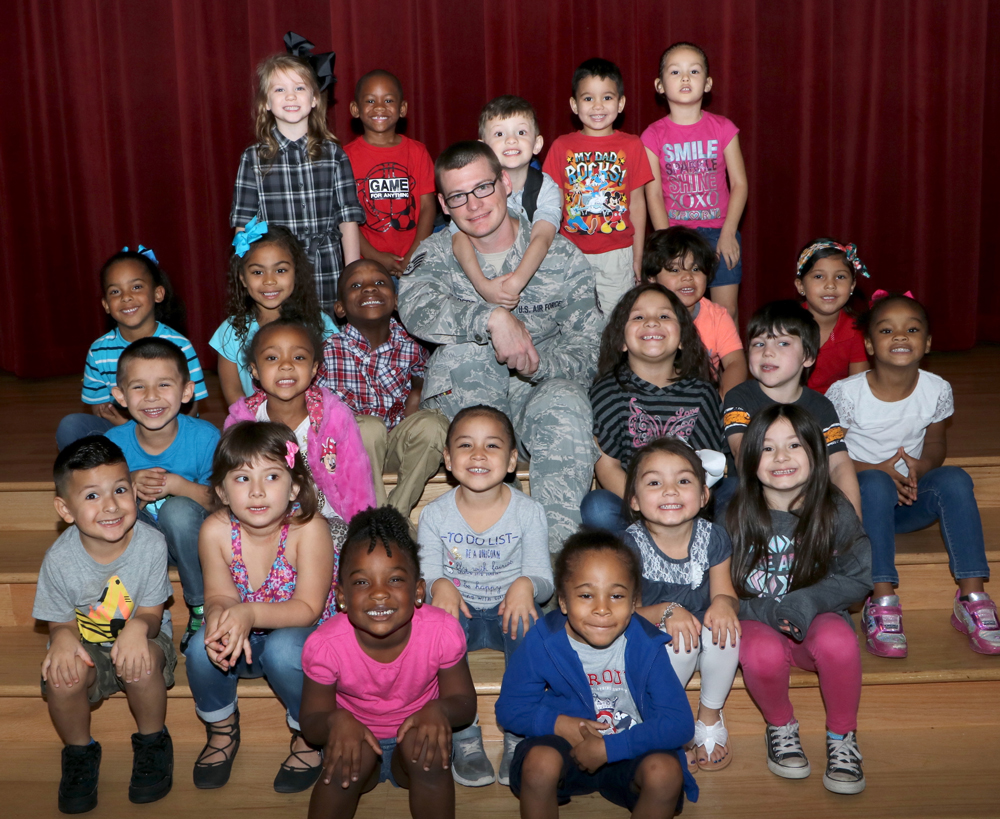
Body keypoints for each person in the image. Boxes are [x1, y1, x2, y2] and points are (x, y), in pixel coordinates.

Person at [398, 141, 605, 553]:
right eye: (458, 196)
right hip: (465, 412)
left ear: (505, 182)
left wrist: (535, 362)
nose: (473, 205)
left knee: (565, 399)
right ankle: (477, 560)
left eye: (483, 188)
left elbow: (589, 352)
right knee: (469, 355)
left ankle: (550, 566)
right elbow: (415, 308)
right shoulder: (436, 254)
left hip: (536, 405)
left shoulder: (561, 257)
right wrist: (492, 320)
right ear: (443, 203)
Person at [827, 293, 999, 656]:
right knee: (874, 484)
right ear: (870, 344)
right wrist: (879, 471)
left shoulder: (936, 389)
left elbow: (936, 443)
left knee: (954, 478)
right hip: (858, 503)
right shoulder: (845, 394)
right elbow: (828, 456)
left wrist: (921, 467)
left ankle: (972, 596)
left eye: (913, 329)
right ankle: (881, 600)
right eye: (887, 330)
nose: (901, 336)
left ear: (929, 342)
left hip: (909, 499)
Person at [495, 530, 699, 817]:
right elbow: (509, 708)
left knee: (665, 773)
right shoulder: (543, 640)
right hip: (566, 748)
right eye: (586, 595)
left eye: (616, 595)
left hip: (631, 751)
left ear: (633, 603)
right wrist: (560, 724)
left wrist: (611, 747)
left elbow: (680, 724)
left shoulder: (647, 645)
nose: (602, 609)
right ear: (563, 602)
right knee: (539, 763)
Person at [186, 421, 337, 793]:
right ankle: (222, 729)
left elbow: (307, 609)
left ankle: (308, 734)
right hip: (246, 641)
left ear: (295, 487)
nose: (256, 492)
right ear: (221, 491)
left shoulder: (309, 529)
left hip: (306, 639)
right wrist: (224, 620)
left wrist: (248, 613)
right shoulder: (215, 531)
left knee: (285, 649)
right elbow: (220, 596)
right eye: (241, 479)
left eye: (271, 476)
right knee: (199, 647)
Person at [728, 405, 870, 794]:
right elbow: (719, 594)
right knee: (760, 652)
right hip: (758, 622)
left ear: (816, 453)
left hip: (816, 627)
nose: (781, 457)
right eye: (768, 448)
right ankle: (781, 726)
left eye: (793, 445)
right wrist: (766, 611)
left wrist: (807, 601)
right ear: (750, 458)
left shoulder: (834, 508)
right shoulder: (732, 515)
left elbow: (859, 577)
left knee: (839, 640)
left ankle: (842, 737)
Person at [300, 507, 477, 819]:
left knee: (428, 753)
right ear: (340, 596)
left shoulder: (442, 631)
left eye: (394, 579)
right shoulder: (325, 645)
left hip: (415, 737)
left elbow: (464, 703)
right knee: (346, 756)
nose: (379, 594)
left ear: (419, 591)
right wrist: (335, 721)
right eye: (361, 583)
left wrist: (439, 709)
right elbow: (312, 723)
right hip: (356, 742)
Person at [35, 437, 176, 813]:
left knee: (141, 660)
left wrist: (136, 630)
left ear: (133, 491)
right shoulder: (59, 559)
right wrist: (62, 640)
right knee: (61, 675)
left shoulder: (151, 544)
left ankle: (152, 742)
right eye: (92, 496)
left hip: (143, 632)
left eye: (119, 489)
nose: (111, 505)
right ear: (65, 509)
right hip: (86, 641)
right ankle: (79, 752)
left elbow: (150, 613)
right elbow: (60, 623)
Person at [418, 405, 553, 787]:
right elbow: (428, 572)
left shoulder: (528, 512)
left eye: (492, 446)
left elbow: (543, 577)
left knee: (532, 627)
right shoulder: (435, 514)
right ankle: (464, 733)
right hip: (460, 612)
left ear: (512, 461)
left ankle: (517, 731)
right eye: (465, 445)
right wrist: (436, 585)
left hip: (508, 611)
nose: (478, 455)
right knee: (435, 626)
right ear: (447, 459)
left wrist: (527, 584)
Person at [623, 437, 740, 773]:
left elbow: (726, 591)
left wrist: (722, 603)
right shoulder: (629, 545)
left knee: (726, 626)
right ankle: (667, 719)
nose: (670, 491)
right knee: (680, 643)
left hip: (703, 629)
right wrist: (666, 611)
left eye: (684, 480)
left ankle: (709, 716)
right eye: (655, 482)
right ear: (634, 499)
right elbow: (624, 615)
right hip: (652, 634)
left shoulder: (713, 536)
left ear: (704, 495)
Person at [104, 338, 219, 653]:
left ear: (186, 392)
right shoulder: (113, 444)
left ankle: (200, 608)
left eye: (164, 385)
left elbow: (223, 503)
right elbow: (100, 505)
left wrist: (179, 486)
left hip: (193, 542)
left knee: (177, 511)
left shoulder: (205, 437)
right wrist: (126, 486)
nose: (152, 397)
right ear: (120, 396)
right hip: (143, 541)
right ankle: (117, 611)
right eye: (138, 387)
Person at [224, 318, 377, 548]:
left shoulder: (334, 416)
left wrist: (365, 532)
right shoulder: (242, 421)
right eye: (272, 358)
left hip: (326, 523)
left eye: (298, 357)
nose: (286, 365)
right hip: (263, 524)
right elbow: (232, 483)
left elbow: (356, 481)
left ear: (314, 368)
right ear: (254, 369)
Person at [583, 283, 724, 533]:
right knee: (597, 507)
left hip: (689, 504)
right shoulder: (608, 391)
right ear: (622, 342)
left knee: (734, 490)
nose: (651, 322)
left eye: (663, 316)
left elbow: (708, 467)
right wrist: (648, 507)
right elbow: (607, 467)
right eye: (638, 317)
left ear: (682, 339)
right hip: (634, 504)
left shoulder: (702, 393)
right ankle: (638, 563)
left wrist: (680, 504)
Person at [231, 51, 364, 314]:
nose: (290, 96)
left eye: (299, 87)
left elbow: (348, 220)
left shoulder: (335, 155)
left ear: (314, 98)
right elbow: (243, 224)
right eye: (279, 89)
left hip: (327, 269)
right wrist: (245, 277)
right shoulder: (253, 159)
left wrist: (352, 279)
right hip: (277, 273)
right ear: (266, 103)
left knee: (327, 341)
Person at [319, 259, 448, 516]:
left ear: (397, 301)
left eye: (379, 282)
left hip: (396, 445)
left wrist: (416, 393)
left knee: (434, 423)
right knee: (367, 427)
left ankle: (396, 513)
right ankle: (373, 516)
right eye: (356, 285)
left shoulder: (413, 346)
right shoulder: (327, 352)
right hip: (351, 452)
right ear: (340, 308)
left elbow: (418, 395)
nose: (369, 289)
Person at [57, 246, 207, 451]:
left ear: (158, 293)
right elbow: (100, 408)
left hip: (174, 433)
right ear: (106, 304)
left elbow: (191, 409)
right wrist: (127, 428)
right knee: (71, 426)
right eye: (115, 291)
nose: (126, 297)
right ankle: (121, 473)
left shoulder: (180, 345)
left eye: (136, 287)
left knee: (207, 435)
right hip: (124, 433)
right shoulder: (99, 351)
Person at [723, 300, 862, 517]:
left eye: (783, 343)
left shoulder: (820, 405)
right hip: (753, 498)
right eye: (759, 344)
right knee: (728, 490)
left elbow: (838, 466)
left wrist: (853, 526)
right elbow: (742, 452)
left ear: (808, 357)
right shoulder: (739, 397)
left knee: (869, 485)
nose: (768, 353)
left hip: (806, 495)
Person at [642, 42, 748, 322]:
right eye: (675, 72)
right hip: (676, 234)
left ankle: (729, 365)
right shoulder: (652, 135)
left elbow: (739, 184)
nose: (685, 78)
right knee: (679, 313)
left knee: (727, 313)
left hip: (719, 232)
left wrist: (728, 232)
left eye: (694, 71)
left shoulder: (724, 128)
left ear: (708, 83)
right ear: (660, 85)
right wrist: (667, 243)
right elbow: (652, 194)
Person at [543, 58, 654, 312]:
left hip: (618, 253)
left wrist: (638, 257)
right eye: (588, 98)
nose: (597, 106)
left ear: (621, 103)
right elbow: (551, 203)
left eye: (606, 97)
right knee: (574, 320)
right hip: (571, 252)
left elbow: (637, 203)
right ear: (574, 104)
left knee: (615, 322)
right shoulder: (561, 146)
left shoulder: (632, 145)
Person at [211, 222, 340, 408]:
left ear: (295, 273)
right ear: (243, 279)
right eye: (257, 272)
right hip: (256, 428)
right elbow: (234, 394)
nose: (269, 280)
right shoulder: (230, 331)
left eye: (280, 270)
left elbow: (334, 381)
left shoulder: (319, 323)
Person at [453, 96, 561, 309]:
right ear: (483, 148)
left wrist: (515, 284)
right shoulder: (472, 189)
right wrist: (483, 286)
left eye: (521, 132)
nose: (511, 140)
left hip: (532, 281)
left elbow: (543, 238)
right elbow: (458, 238)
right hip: (478, 279)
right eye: (500, 134)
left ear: (537, 143)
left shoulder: (546, 189)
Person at [344, 70, 436, 277]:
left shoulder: (418, 152)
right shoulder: (344, 158)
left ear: (402, 108)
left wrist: (415, 252)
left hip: (416, 259)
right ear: (355, 109)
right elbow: (345, 217)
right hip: (367, 262)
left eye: (388, 100)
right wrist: (374, 256)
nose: (379, 107)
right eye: (370, 100)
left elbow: (428, 207)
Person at [643, 226, 747, 396]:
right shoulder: (639, 317)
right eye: (675, 270)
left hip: (703, 400)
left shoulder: (717, 316)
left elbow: (736, 363)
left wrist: (723, 404)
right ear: (652, 277)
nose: (687, 277)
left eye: (696, 269)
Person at [795, 238, 871, 394]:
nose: (830, 285)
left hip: (835, 408)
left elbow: (858, 388)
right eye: (818, 276)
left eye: (840, 277)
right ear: (800, 285)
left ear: (852, 285)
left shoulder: (857, 330)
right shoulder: (784, 324)